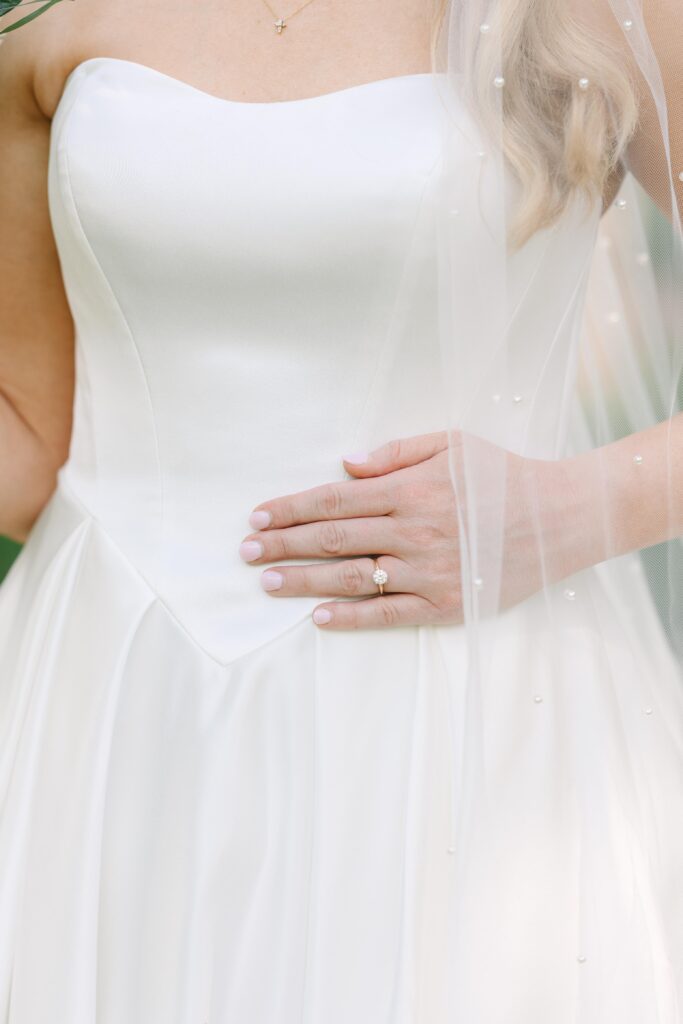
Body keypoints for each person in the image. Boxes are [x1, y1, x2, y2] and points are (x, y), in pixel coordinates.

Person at [0, 0, 681, 1019]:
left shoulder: (598, 10)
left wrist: (571, 507)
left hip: (471, 713)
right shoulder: (45, 20)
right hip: (113, 708)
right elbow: (29, 445)